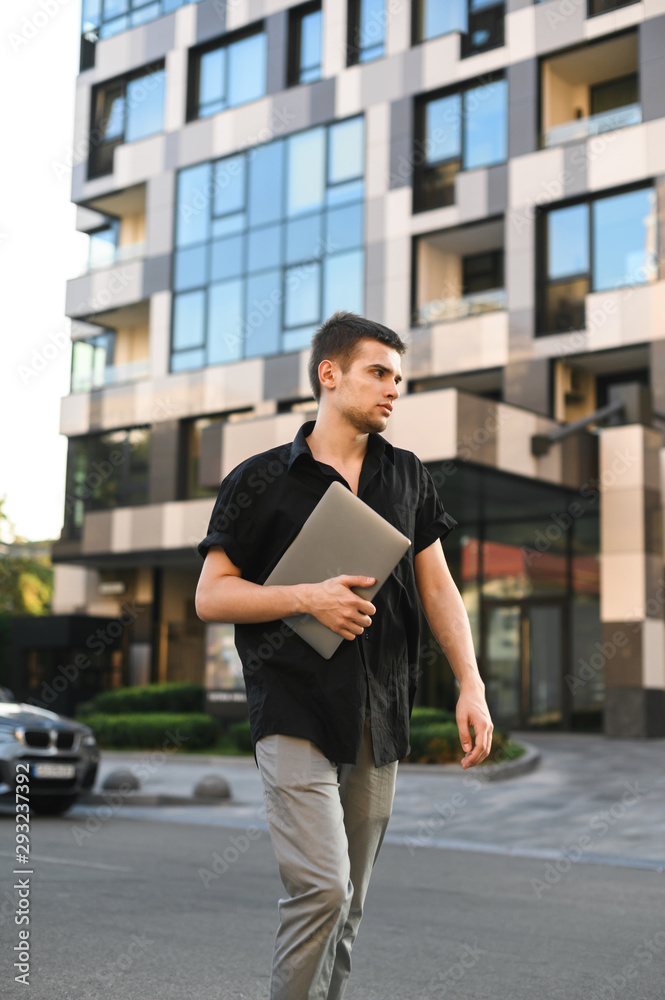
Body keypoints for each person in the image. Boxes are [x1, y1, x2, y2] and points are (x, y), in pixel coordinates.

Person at [195, 311, 493, 1000]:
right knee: (321, 889)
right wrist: (307, 598)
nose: (394, 389)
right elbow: (212, 597)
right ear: (328, 375)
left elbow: (438, 588)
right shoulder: (258, 478)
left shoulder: (409, 477)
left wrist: (470, 683)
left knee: (349, 904)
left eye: (399, 377)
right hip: (294, 704)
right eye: (378, 373)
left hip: (380, 711)